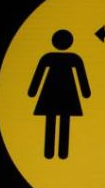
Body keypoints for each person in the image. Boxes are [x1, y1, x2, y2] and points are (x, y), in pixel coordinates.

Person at [27, 29, 91, 160]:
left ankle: (54, 152)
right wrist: (85, 93)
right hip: (65, 93)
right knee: (62, 121)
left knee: (54, 121)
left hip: (53, 92)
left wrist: (32, 92)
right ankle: (58, 153)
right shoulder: (72, 58)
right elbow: (81, 77)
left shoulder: (50, 57)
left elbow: (39, 75)